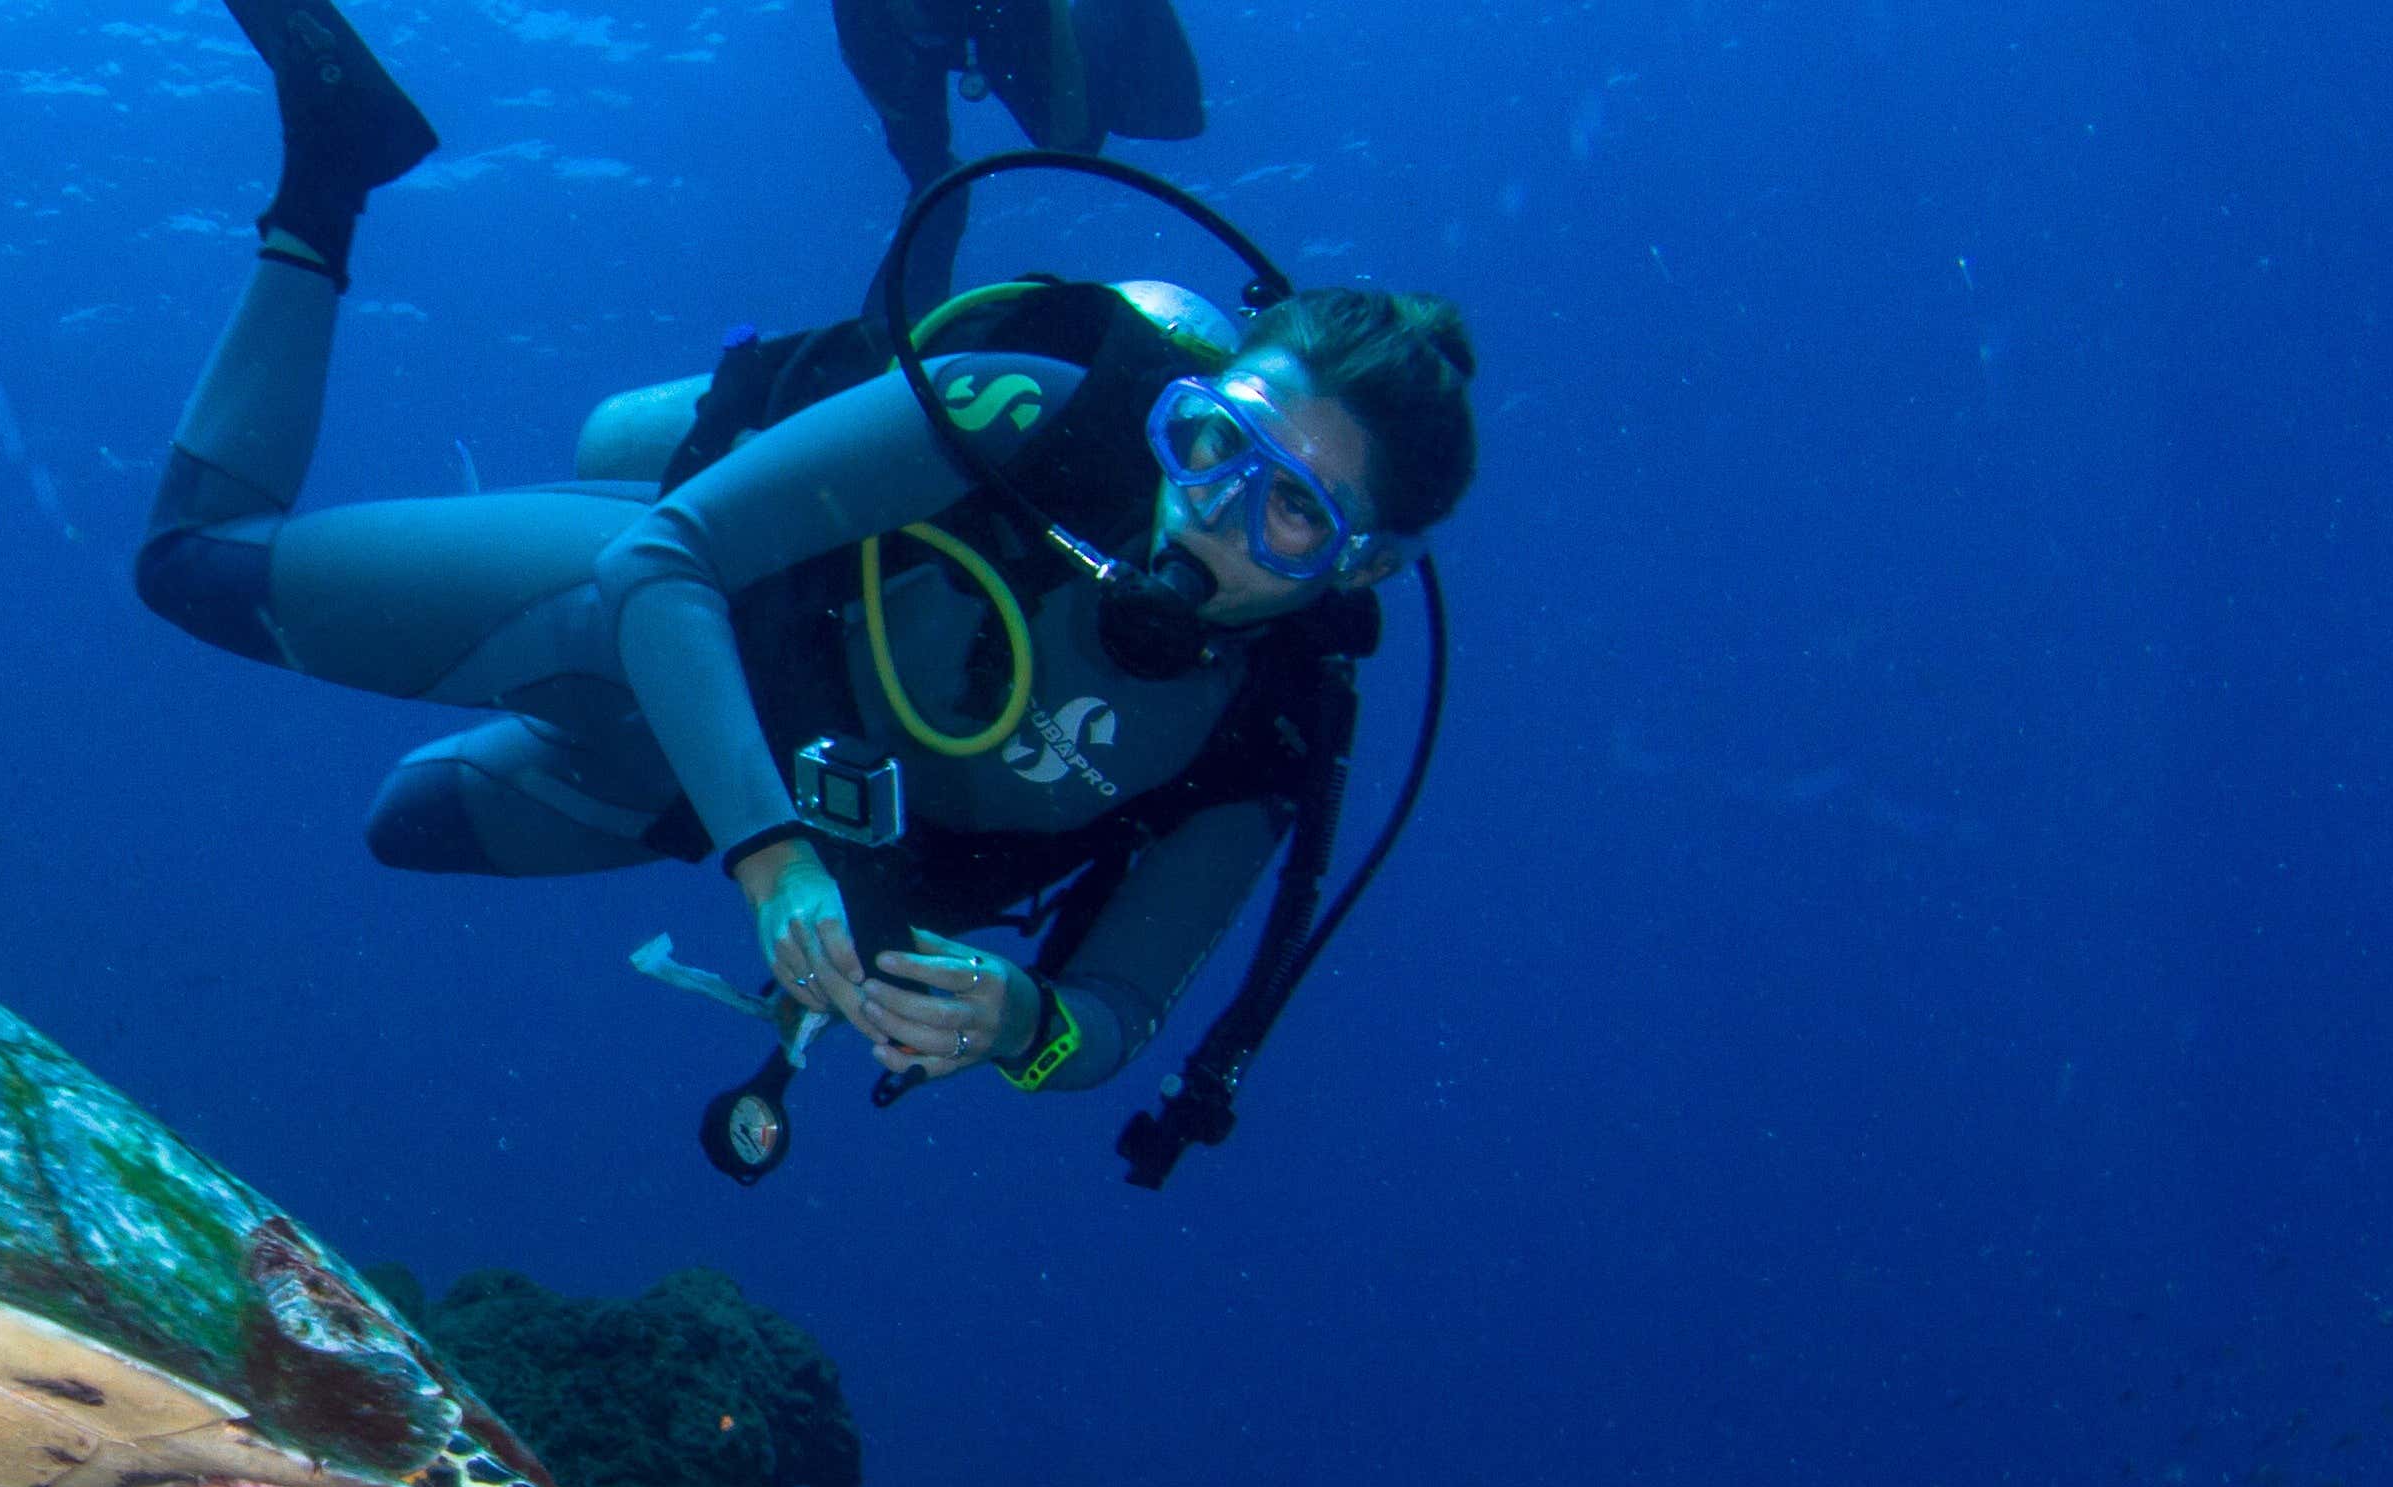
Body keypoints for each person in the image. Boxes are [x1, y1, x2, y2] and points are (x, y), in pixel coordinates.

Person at [140, 0, 1473, 1105]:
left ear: (1360, 564)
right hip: (695, 610)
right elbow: (668, 564)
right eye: (1214, 440)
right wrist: (774, 858)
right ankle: (333, 169)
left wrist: (1017, 1020)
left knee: (408, 824)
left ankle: (591, 601)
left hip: (708, 779)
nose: (1217, 512)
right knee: (193, 566)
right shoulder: (1043, 414)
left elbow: (1109, 1019)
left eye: (1293, 509)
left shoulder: (1267, 731)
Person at [838, 0, 1213, 318]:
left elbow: (1071, 131)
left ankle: (888, 341)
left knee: (1161, 119)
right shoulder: (865, 22)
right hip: (901, 27)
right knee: (934, 181)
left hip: (996, 18)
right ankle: (890, 341)